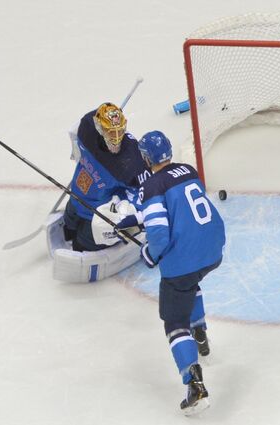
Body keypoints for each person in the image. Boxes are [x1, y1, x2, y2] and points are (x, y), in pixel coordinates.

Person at [136, 130, 225, 415]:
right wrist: (138, 218)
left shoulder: (151, 186)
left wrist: (148, 254)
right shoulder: (188, 170)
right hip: (212, 248)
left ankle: (194, 385)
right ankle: (201, 335)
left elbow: (160, 237)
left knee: (175, 320)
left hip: (185, 260)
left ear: (147, 157)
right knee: (190, 281)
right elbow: (182, 208)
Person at [63, 102, 150, 251]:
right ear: (99, 127)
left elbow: (146, 191)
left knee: (81, 245)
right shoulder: (87, 128)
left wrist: (127, 214)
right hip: (76, 196)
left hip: (98, 215)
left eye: (120, 131)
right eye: (110, 132)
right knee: (68, 227)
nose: (116, 139)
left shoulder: (132, 159)